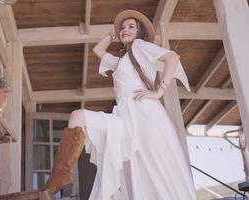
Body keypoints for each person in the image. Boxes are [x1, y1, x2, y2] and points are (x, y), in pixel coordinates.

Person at [42, 10, 197, 200]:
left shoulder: (140, 46)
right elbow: (98, 51)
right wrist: (112, 34)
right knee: (78, 116)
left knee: (152, 172)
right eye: (123, 27)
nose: (125, 30)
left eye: (131, 26)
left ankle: (61, 174)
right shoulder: (122, 60)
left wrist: (159, 91)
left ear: (139, 32)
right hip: (124, 117)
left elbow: (172, 57)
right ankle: (62, 174)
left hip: (143, 115)